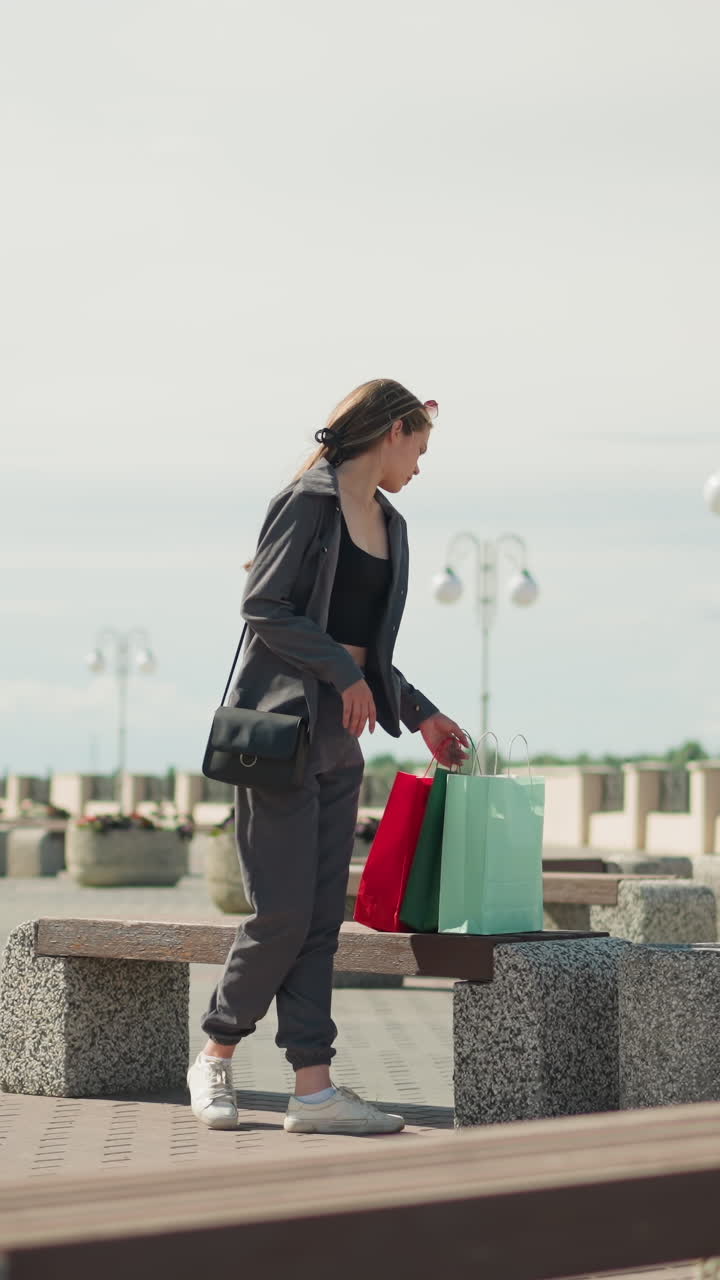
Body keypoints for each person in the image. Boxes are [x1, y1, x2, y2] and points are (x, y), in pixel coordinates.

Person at [187, 377, 469, 1135]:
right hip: (281, 735)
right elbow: (265, 606)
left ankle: (314, 1090)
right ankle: (215, 1053)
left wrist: (424, 714)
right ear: (393, 432)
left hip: (343, 742)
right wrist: (342, 675)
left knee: (318, 921)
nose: (421, 465)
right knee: (280, 913)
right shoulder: (306, 505)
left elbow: (369, 650)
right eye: (421, 447)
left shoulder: (393, 525)